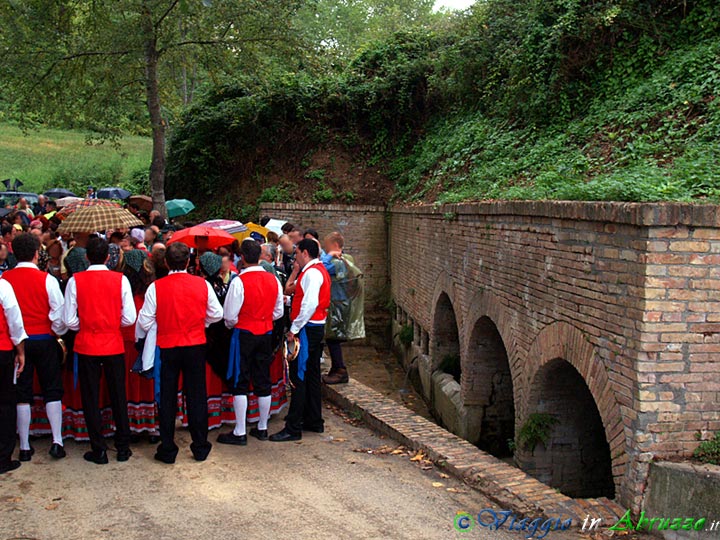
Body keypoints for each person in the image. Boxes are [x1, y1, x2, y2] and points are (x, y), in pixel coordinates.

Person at [137, 242, 223, 464]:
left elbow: (145, 321)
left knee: (167, 397)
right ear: (188, 262)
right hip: (195, 343)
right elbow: (217, 314)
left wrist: (163, 323)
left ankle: (167, 448)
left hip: (168, 345)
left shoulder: (156, 287)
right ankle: (200, 445)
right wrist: (200, 322)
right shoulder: (202, 285)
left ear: (166, 262)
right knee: (197, 395)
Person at [63, 237, 136, 464]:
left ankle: (99, 448)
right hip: (113, 342)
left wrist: (86, 325)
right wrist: (112, 323)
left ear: (86, 257)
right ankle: (123, 446)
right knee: (118, 394)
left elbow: (69, 320)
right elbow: (130, 317)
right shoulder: (120, 280)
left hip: (87, 342)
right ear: (107, 257)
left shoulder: (75, 281)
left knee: (91, 396)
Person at [3, 233, 68, 461]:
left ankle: (24, 446)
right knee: (52, 388)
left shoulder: (5, 279)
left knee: (22, 392)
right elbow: (58, 315)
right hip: (44, 338)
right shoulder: (47, 279)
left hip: (17, 342)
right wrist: (56, 332)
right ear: (35, 254)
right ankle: (57, 441)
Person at [220, 240, 284, 445]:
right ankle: (262, 427)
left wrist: (239, 324)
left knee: (241, 380)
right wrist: (264, 319)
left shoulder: (239, 281)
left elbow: (229, 315)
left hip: (244, 333)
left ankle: (240, 431)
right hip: (265, 332)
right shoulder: (273, 280)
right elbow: (279, 311)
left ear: (243, 258)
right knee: (262, 378)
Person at [270, 239, 331, 442]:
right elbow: (307, 300)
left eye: (297, 253)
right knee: (312, 374)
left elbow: (309, 304)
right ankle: (313, 419)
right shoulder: (317, 271)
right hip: (315, 326)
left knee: (299, 376)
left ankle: (293, 426)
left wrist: (294, 329)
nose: (295, 257)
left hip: (306, 328)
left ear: (305, 253)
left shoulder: (312, 273)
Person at [0, 278, 26, 474]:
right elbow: (14, 321)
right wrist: (20, 350)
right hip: (1, 349)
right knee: (5, 403)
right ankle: (2, 458)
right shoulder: (3, 286)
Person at [321, 231, 353, 385]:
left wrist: (329, 255)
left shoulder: (339, 261)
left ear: (334, 246)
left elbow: (321, 267)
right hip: (337, 302)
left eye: (328, 247)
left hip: (338, 303)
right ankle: (335, 369)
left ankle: (340, 371)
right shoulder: (340, 259)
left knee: (334, 338)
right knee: (332, 337)